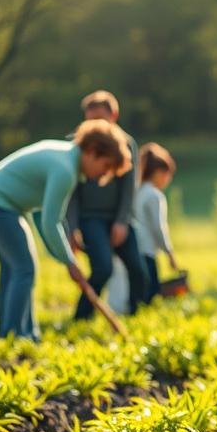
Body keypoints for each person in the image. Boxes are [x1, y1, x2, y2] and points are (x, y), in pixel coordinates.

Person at [0, 119, 132, 340]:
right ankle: (13, 335)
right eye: (105, 167)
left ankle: (22, 333)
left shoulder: (66, 158)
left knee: (15, 269)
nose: (103, 176)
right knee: (23, 269)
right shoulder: (65, 170)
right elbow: (50, 222)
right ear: (93, 151)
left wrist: (63, 255)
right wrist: (69, 261)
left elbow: (43, 215)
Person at [66, 91, 149, 319]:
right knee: (103, 268)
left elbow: (128, 188)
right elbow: (70, 193)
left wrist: (122, 222)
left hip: (118, 217)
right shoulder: (78, 146)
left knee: (138, 269)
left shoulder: (126, 143)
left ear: (114, 115)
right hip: (90, 218)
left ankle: (137, 314)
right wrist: (72, 227)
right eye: (89, 120)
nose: (94, 125)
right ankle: (82, 317)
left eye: (99, 119)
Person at [132, 143, 179, 305]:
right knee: (151, 290)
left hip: (133, 246)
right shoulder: (154, 195)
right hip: (147, 248)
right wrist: (169, 253)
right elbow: (158, 227)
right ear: (159, 173)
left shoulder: (136, 191)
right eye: (168, 175)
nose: (168, 180)